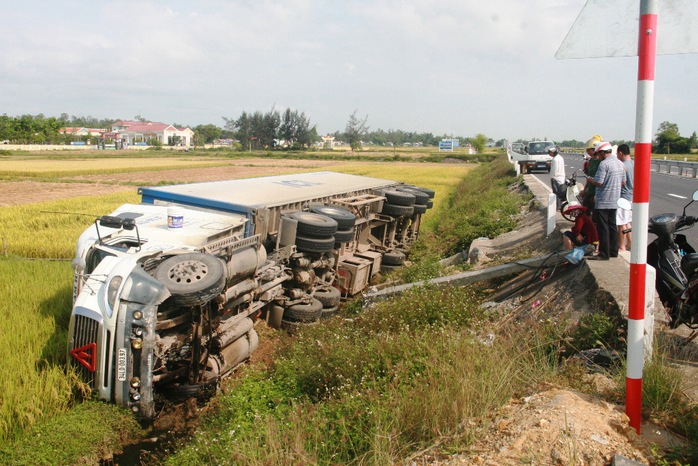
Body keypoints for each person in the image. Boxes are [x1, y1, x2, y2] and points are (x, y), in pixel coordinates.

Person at [586, 141, 625, 259]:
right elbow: (623, 182)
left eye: (598, 154)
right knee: (613, 226)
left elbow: (599, 182)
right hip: (615, 200)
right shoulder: (620, 163)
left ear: (603, 153)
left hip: (603, 200)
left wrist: (590, 180)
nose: (598, 157)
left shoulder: (604, 165)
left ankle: (604, 253)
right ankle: (614, 251)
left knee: (603, 228)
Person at [616, 144, 634, 252]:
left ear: (620, 153)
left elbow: (621, 182)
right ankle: (630, 243)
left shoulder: (623, 165)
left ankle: (622, 246)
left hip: (623, 196)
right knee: (627, 222)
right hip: (631, 196)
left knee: (621, 223)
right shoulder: (633, 163)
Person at [580, 135, 603, 210]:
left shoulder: (601, 163)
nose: (587, 152)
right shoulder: (592, 161)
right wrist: (585, 190)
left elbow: (600, 181)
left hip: (596, 193)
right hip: (590, 191)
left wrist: (596, 195)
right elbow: (588, 178)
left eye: (589, 150)